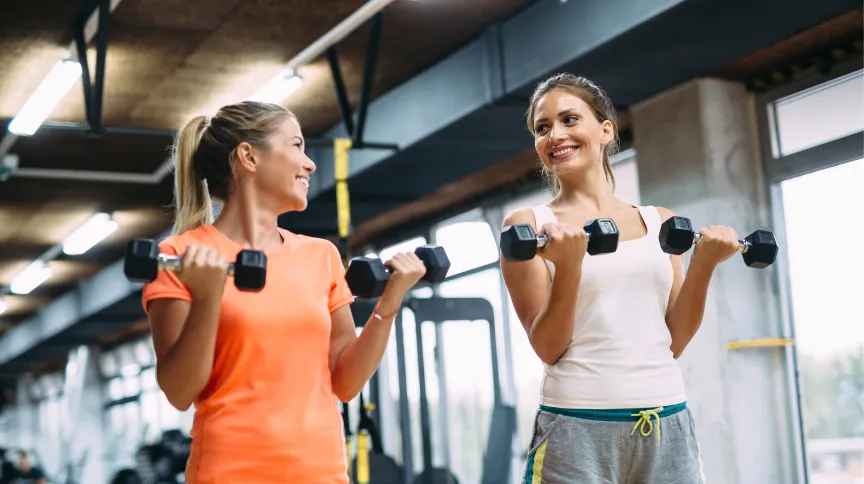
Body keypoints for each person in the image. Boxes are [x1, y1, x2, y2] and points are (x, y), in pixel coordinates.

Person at [141, 101, 426, 483]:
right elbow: (178, 390)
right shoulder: (181, 256)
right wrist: (208, 297)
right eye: (296, 146)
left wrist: (390, 302)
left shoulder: (320, 255)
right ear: (248, 157)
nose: (309, 163)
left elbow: (345, 382)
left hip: (321, 473)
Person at [500, 73, 743, 483]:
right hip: (577, 428)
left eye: (569, 119)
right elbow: (549, 347)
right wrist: (570, 267)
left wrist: (703, 266)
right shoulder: (529, 227)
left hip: (668, 422)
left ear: (605, 130)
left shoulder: (660, 222)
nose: (555, 135)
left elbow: (674, 341)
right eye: (542, 128)